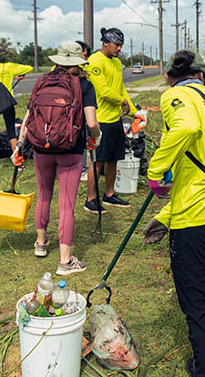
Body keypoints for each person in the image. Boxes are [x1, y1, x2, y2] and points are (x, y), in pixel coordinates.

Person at [142, 50, 205, 377]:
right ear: (201, 76)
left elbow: (185, 126)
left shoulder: (176, 94)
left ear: (170, 78)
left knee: (199, 306)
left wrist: (156, 170)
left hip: (195, 219)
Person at [16, 41, 100, 274]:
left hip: (40, 148)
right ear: (78, 61)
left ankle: (41, 244)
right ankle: (65, 261)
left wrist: (21, 144)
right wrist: (96, 137)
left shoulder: (42, 82)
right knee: (66, 205)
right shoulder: (84, 85)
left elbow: (29, 116)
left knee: (44, 195)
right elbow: (91, 122)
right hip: (70, 151)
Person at [84, 27, 143, 212]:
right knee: (98, 160)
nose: (119, 49)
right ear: (105, 43)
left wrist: (134, 111)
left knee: (114, 159)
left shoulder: (117, 64)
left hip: (115, 118)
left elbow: (120, 89)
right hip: (99, 119)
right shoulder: (94, 61)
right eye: (116, 45)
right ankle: (91, 199)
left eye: (121, 45)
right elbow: (103, 90)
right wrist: (122, 101)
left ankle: (109, 194)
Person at [76, 40, 93, 183]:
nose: (87, 58)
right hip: (76, 119)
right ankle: (82, 170)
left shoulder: (49, 76)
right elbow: (92, 123)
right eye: (85, 55)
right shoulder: (82, 81)